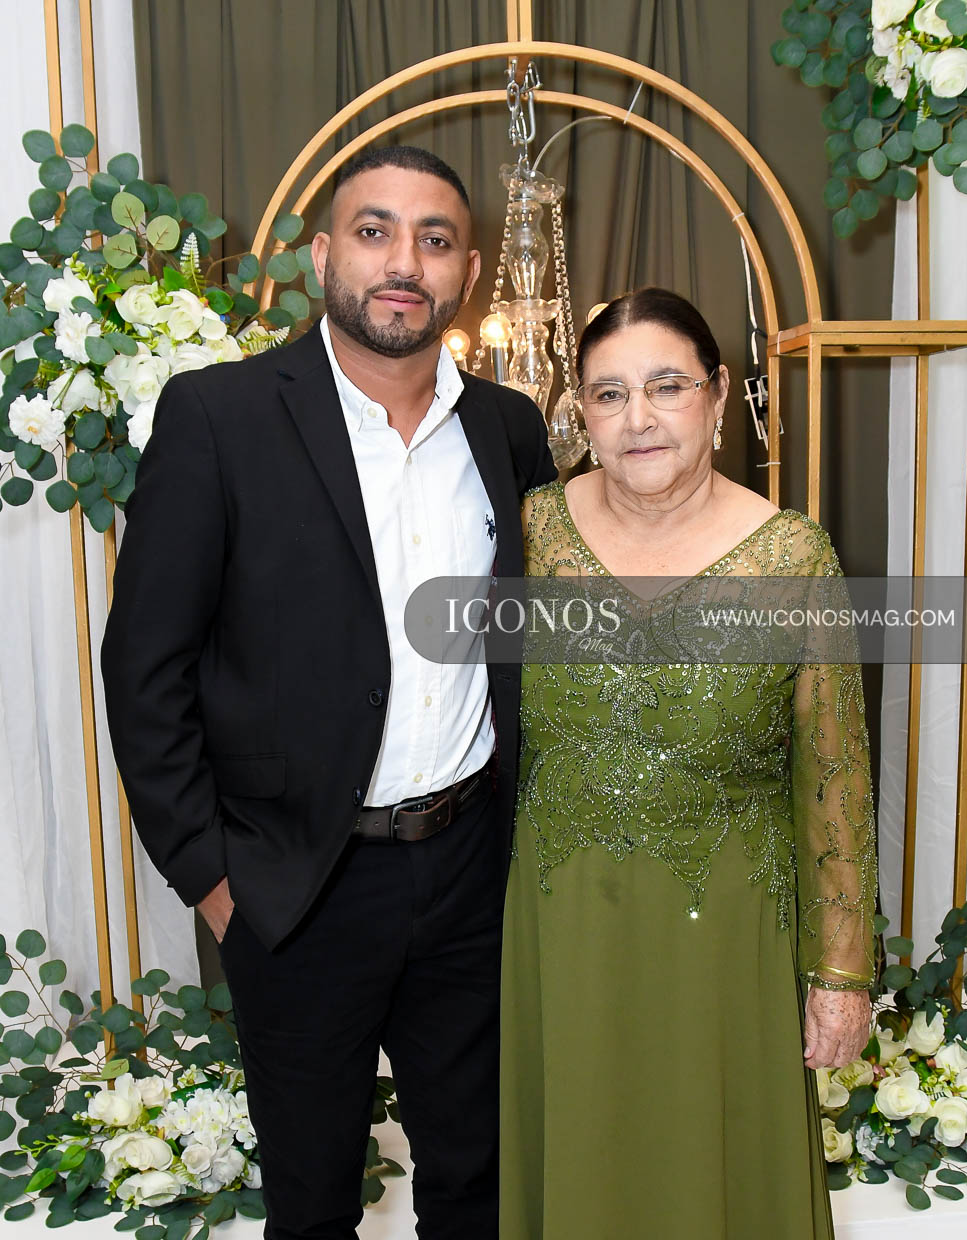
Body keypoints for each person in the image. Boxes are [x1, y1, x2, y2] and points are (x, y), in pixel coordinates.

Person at [102, 145, 556, 1240]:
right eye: (373, 230)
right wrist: (213, 878)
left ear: (468, 272)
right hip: (296, 880)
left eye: (434, 240)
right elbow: (145, 666)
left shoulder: (507, 429)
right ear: (321, 256)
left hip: (471, 870)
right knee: (310, 1202)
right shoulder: (218, 417)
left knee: (479, 1181)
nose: (404, 262)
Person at [499, 288, 878, 1239]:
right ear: (582, 414)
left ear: (716, 395)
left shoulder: (792, 556)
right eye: (609, 394)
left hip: (727, 939)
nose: (639, 419)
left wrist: (841, 973)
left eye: (666, 386)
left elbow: (834, 778)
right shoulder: (528, 534)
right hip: (557, 928)